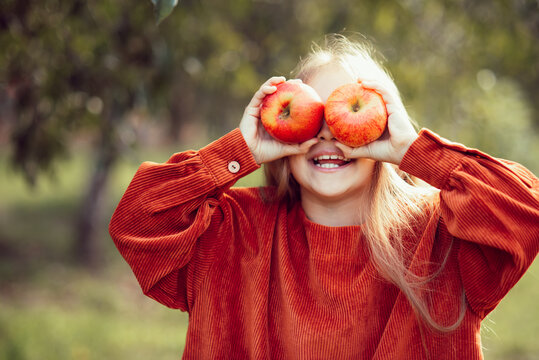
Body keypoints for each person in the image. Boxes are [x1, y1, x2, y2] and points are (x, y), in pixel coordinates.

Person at [109, 34, 539, 359]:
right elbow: (137, 220)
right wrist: (239, 152)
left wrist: (416, 151)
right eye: (313, 116)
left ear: (387, 123)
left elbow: (526, 211)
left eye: (350, 108)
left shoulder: (443, 240)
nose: (330, 135)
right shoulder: (232, 233)